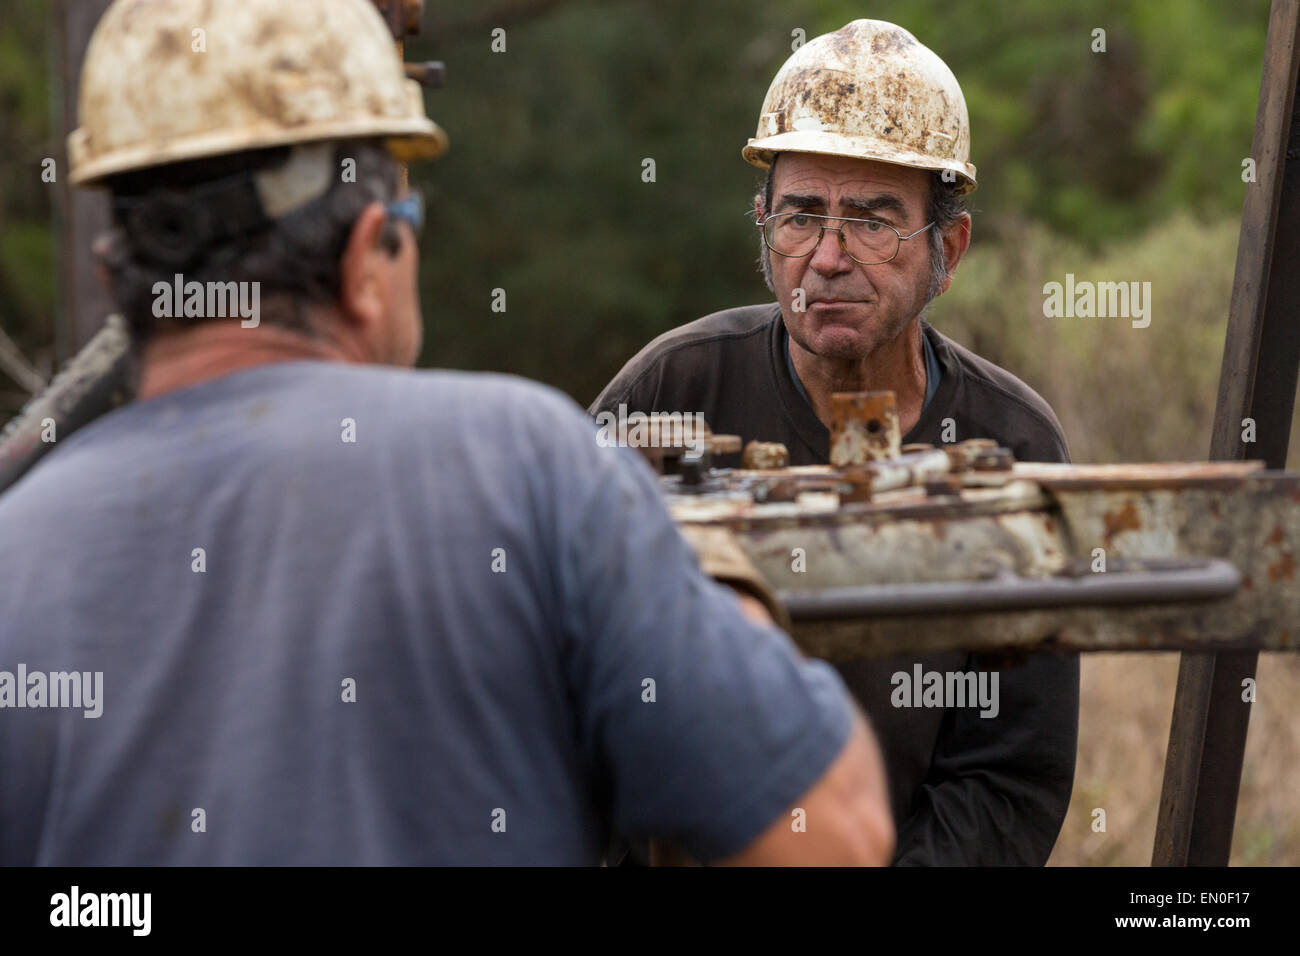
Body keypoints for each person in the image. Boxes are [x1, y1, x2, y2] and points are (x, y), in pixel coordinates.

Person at [0, 0, 894, 866]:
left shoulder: (19, 550)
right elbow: (835, 832)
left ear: (110, 270)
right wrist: (695, 584)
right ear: (365, 262)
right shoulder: (525, 466)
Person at [591, 19, 1080, 865]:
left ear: (948, 250)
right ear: (763, 227)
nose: (826, 256)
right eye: (801, 216)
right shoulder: (667, 394)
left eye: (874, 221)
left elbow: (1007, 780)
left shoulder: (1014, 439)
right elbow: (558, 693)